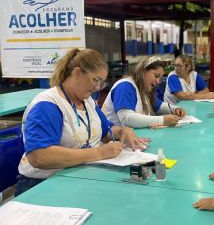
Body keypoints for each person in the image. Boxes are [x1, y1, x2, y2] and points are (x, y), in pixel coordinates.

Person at [15, 48, 147, 196]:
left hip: (78, 177)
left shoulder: (87, 101)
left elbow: (105, 131)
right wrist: (98, 153)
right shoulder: (48, 105)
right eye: (95, 80)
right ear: (77, 73)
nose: (97, 87)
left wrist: (122, 131)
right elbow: (40, 156)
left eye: (101, 82)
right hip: (42, 185)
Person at [102, 56, 186, 128]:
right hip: (115, 141)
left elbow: (157, 105)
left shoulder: (143, 87)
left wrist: (174, 109)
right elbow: (126, 118)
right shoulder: (125, 86)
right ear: (143, 71)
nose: (158, 82)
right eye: (156, 76)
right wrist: (162, 120)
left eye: (160, 78)